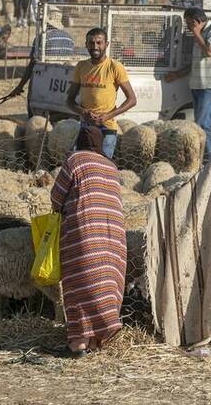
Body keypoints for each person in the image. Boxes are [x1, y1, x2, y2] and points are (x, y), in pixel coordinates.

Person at [50, 125, 127, 357]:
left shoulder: (75, 160)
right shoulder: (112, 166)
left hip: (85, 230)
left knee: (78, 283)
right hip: (114, 236)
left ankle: (78, 343)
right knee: (105, 280)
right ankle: (96, 339)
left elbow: (56, 197)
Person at [165, 7, 211, 164]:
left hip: (210, 84)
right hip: (198, 84)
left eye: (189, 24)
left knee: (203, 124)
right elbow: (195, 62)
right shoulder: (198, 35)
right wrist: (177, 74)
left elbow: (209, 52)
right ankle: (207, 158)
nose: (188, 28)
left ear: (196, 21)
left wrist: (197, 32)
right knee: (200, 123)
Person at [66, 27, 137, 159]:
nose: (95, 46)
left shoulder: (115, 67)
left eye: (99, 42)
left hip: (107, 128)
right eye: (91, 43)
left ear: (106, 44)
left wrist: (108, 116)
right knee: (80, 162)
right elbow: (69, 101)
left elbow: (132, 99)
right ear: (86, 45)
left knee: (102, 165)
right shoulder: (81, 67)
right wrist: (84, 112)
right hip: (86, 126)